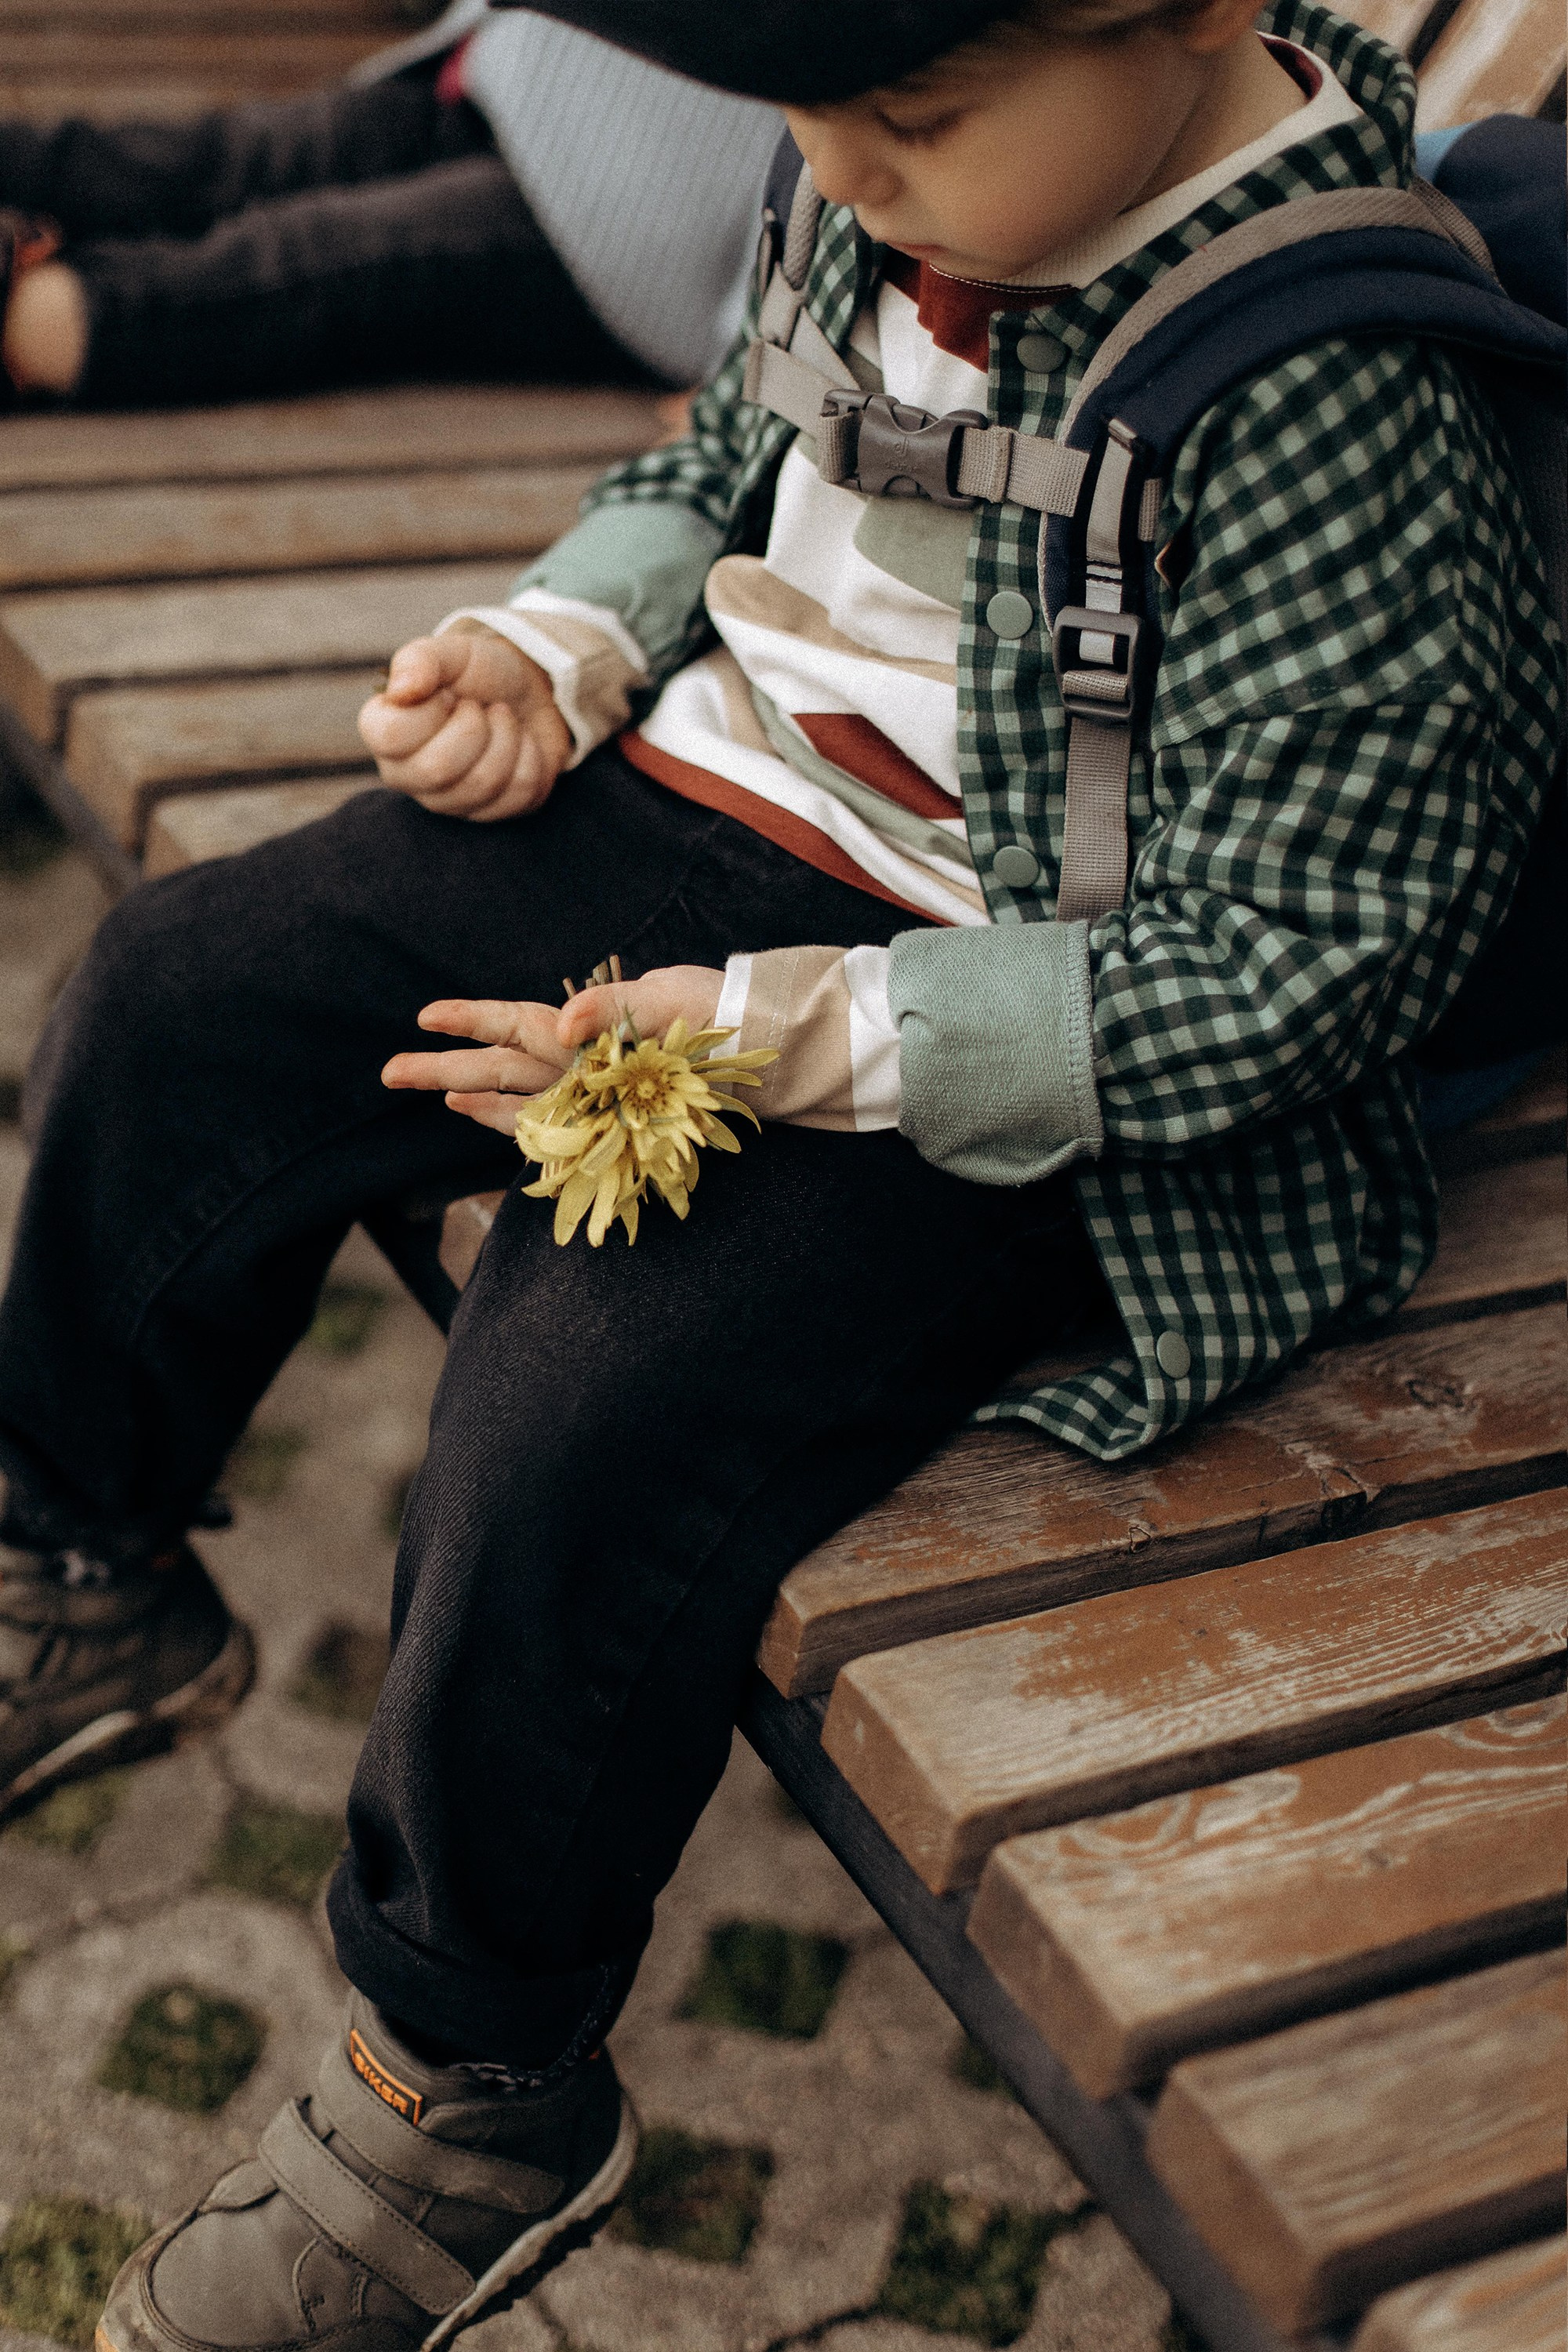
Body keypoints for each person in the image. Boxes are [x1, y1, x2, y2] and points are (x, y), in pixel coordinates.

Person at [0, 0, 1555, 2345]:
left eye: (909, 113)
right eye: (808, 116)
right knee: (181, 988)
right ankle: (77, 1547)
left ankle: (465, 2063)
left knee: (578, 1377)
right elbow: (724, 446)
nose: (837, 170)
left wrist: (794, 1033)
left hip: (1019, 1023)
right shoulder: (878, 175)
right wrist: (563, 634)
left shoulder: (1334, 391)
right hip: (705, 812)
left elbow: (1298, 960)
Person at [0, 0, 782, 405]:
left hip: (633, 231)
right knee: (213, 156)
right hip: (512, 70)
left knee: (306, 261)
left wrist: (744, 369)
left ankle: (23, 322)